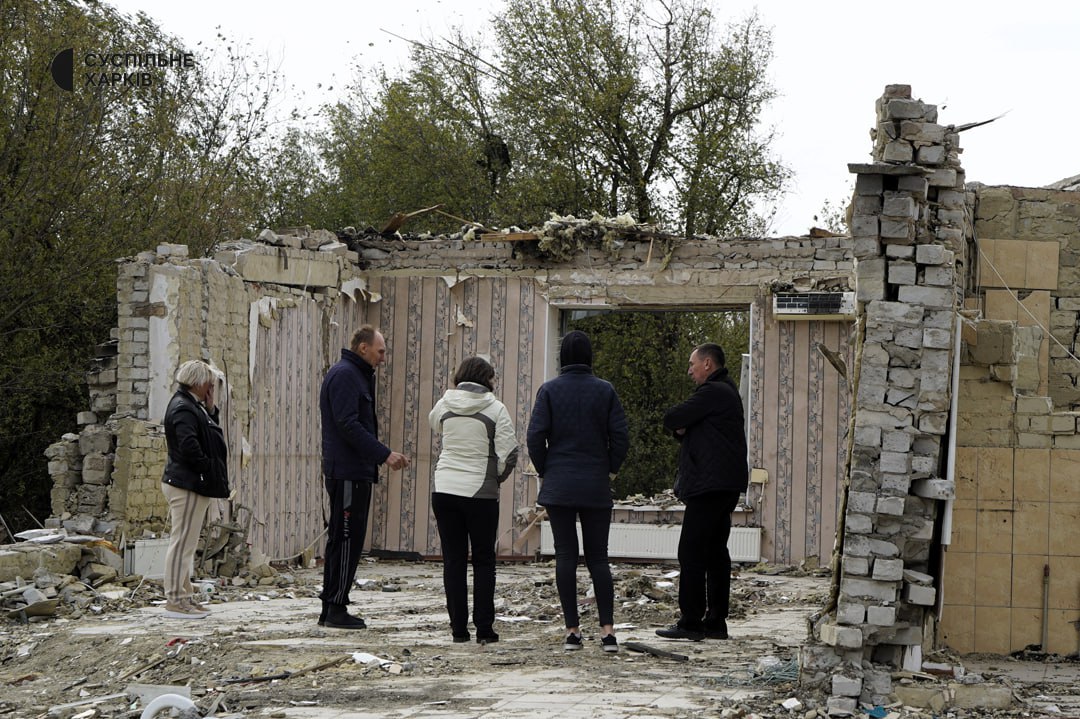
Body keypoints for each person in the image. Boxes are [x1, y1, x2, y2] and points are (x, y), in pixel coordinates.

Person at [527, 330, 629, 653]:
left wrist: (546, 469)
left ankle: (573, 631)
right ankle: (608, 633)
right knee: (598, 557)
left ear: (562, 358)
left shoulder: (549, 390)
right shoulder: (605, 390)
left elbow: (535, 436)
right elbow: (621, 436)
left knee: (565, 556)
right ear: (589, 357)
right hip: (595, 483)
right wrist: (609, 468)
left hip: (559, 484)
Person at [655, 343, 748, 641]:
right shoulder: (726, 392)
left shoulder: (713, 391)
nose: (689, 371)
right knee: (715, 552)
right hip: (724, 484)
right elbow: (686, 426)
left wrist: (683, 426)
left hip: (709, 486)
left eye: (692, 364)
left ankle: (691, 621)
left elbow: (672, 417)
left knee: (692, 551)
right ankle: (716, 622)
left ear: (708, 364)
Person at [318, 325, 410, 629]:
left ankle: (331, 606)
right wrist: (384, 454)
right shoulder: (346, 375)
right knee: (346, 540)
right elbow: (348, 424)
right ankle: (336, 608)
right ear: (363, 348)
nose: (383, 358)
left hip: (353, 471)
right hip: (347, 472)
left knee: (343, 540)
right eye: (380, 351)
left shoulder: (355, 374)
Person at [428, 356, 519, 644]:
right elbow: (509, 453)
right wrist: (496, 479)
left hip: (444, 488)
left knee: (453, 561)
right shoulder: (496, 408)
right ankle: (484, 629)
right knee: (483, 561)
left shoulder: (444, 404)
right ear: (487, 379)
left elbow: (435, 425)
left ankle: (458, 630)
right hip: (480, 493)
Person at [161, 359, 230, 619]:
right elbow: (189, 445)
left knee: (187, 545)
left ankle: (185, 595)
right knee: (181, 544)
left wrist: (211, 410)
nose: (211, 389)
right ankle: (175, 599)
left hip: (190, 482)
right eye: (209, 384)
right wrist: (207, 467)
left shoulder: (191, 406)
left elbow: (209, 435)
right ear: (198, 383)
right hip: (186, 484)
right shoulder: (184, 408)